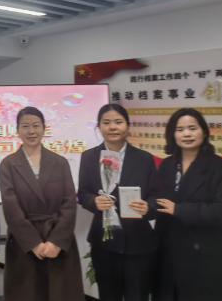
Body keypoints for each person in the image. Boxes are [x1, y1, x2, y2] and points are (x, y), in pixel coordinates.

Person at [0, 107, 84, 301]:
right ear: (17, 130)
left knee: (61, 295)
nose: (31, 131)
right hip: (24, 244)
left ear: (44, 128)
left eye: (36, 126)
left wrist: (55, 242)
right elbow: (11, 208)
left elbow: (69, 204)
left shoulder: (60, 162)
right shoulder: (8, 164)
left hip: (58, 242)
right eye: (25, 126)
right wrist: (34, 244)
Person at [154, 108, 222, 301]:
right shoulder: (166, 165)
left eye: (192, 128)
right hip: (168, 250)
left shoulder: (221, 167)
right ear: (172, 134)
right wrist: (146, 208)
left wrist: (179, 209)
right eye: (180, 129)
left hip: (206, 254)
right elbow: (159, 200)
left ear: (204, 132)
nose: (187, 134)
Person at [78, 104, 159, 301]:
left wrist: (148, 207)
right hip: (104, 244)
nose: (113, 127)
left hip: (138, 244)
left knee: (137, 296)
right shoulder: (89, 157)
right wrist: (93, 201)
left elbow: (156, 196)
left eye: (118, 122)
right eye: (106, 122)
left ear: (127, 126)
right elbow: (83, 193)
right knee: (108, 296)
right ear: (99, 126)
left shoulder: (144, 158)